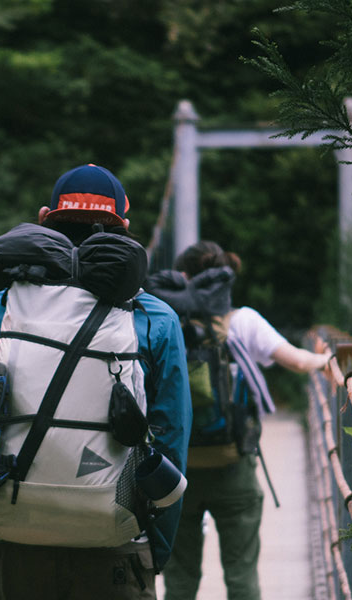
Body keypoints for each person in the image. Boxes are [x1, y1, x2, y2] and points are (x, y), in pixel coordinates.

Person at [0, 164, 193, 600]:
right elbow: (171, 443)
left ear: (44, 218)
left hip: (8, 543)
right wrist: (153, 549)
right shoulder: (154, 318)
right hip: (113, 543)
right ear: (125, 229)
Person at [145, 239, 331, 600]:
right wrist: (327, 361)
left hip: (176, 470)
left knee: (180, 579)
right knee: (242, 573)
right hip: (234, 466)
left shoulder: (160, 320)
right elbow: (297, 361)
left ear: (182, 276)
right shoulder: (242, 321)